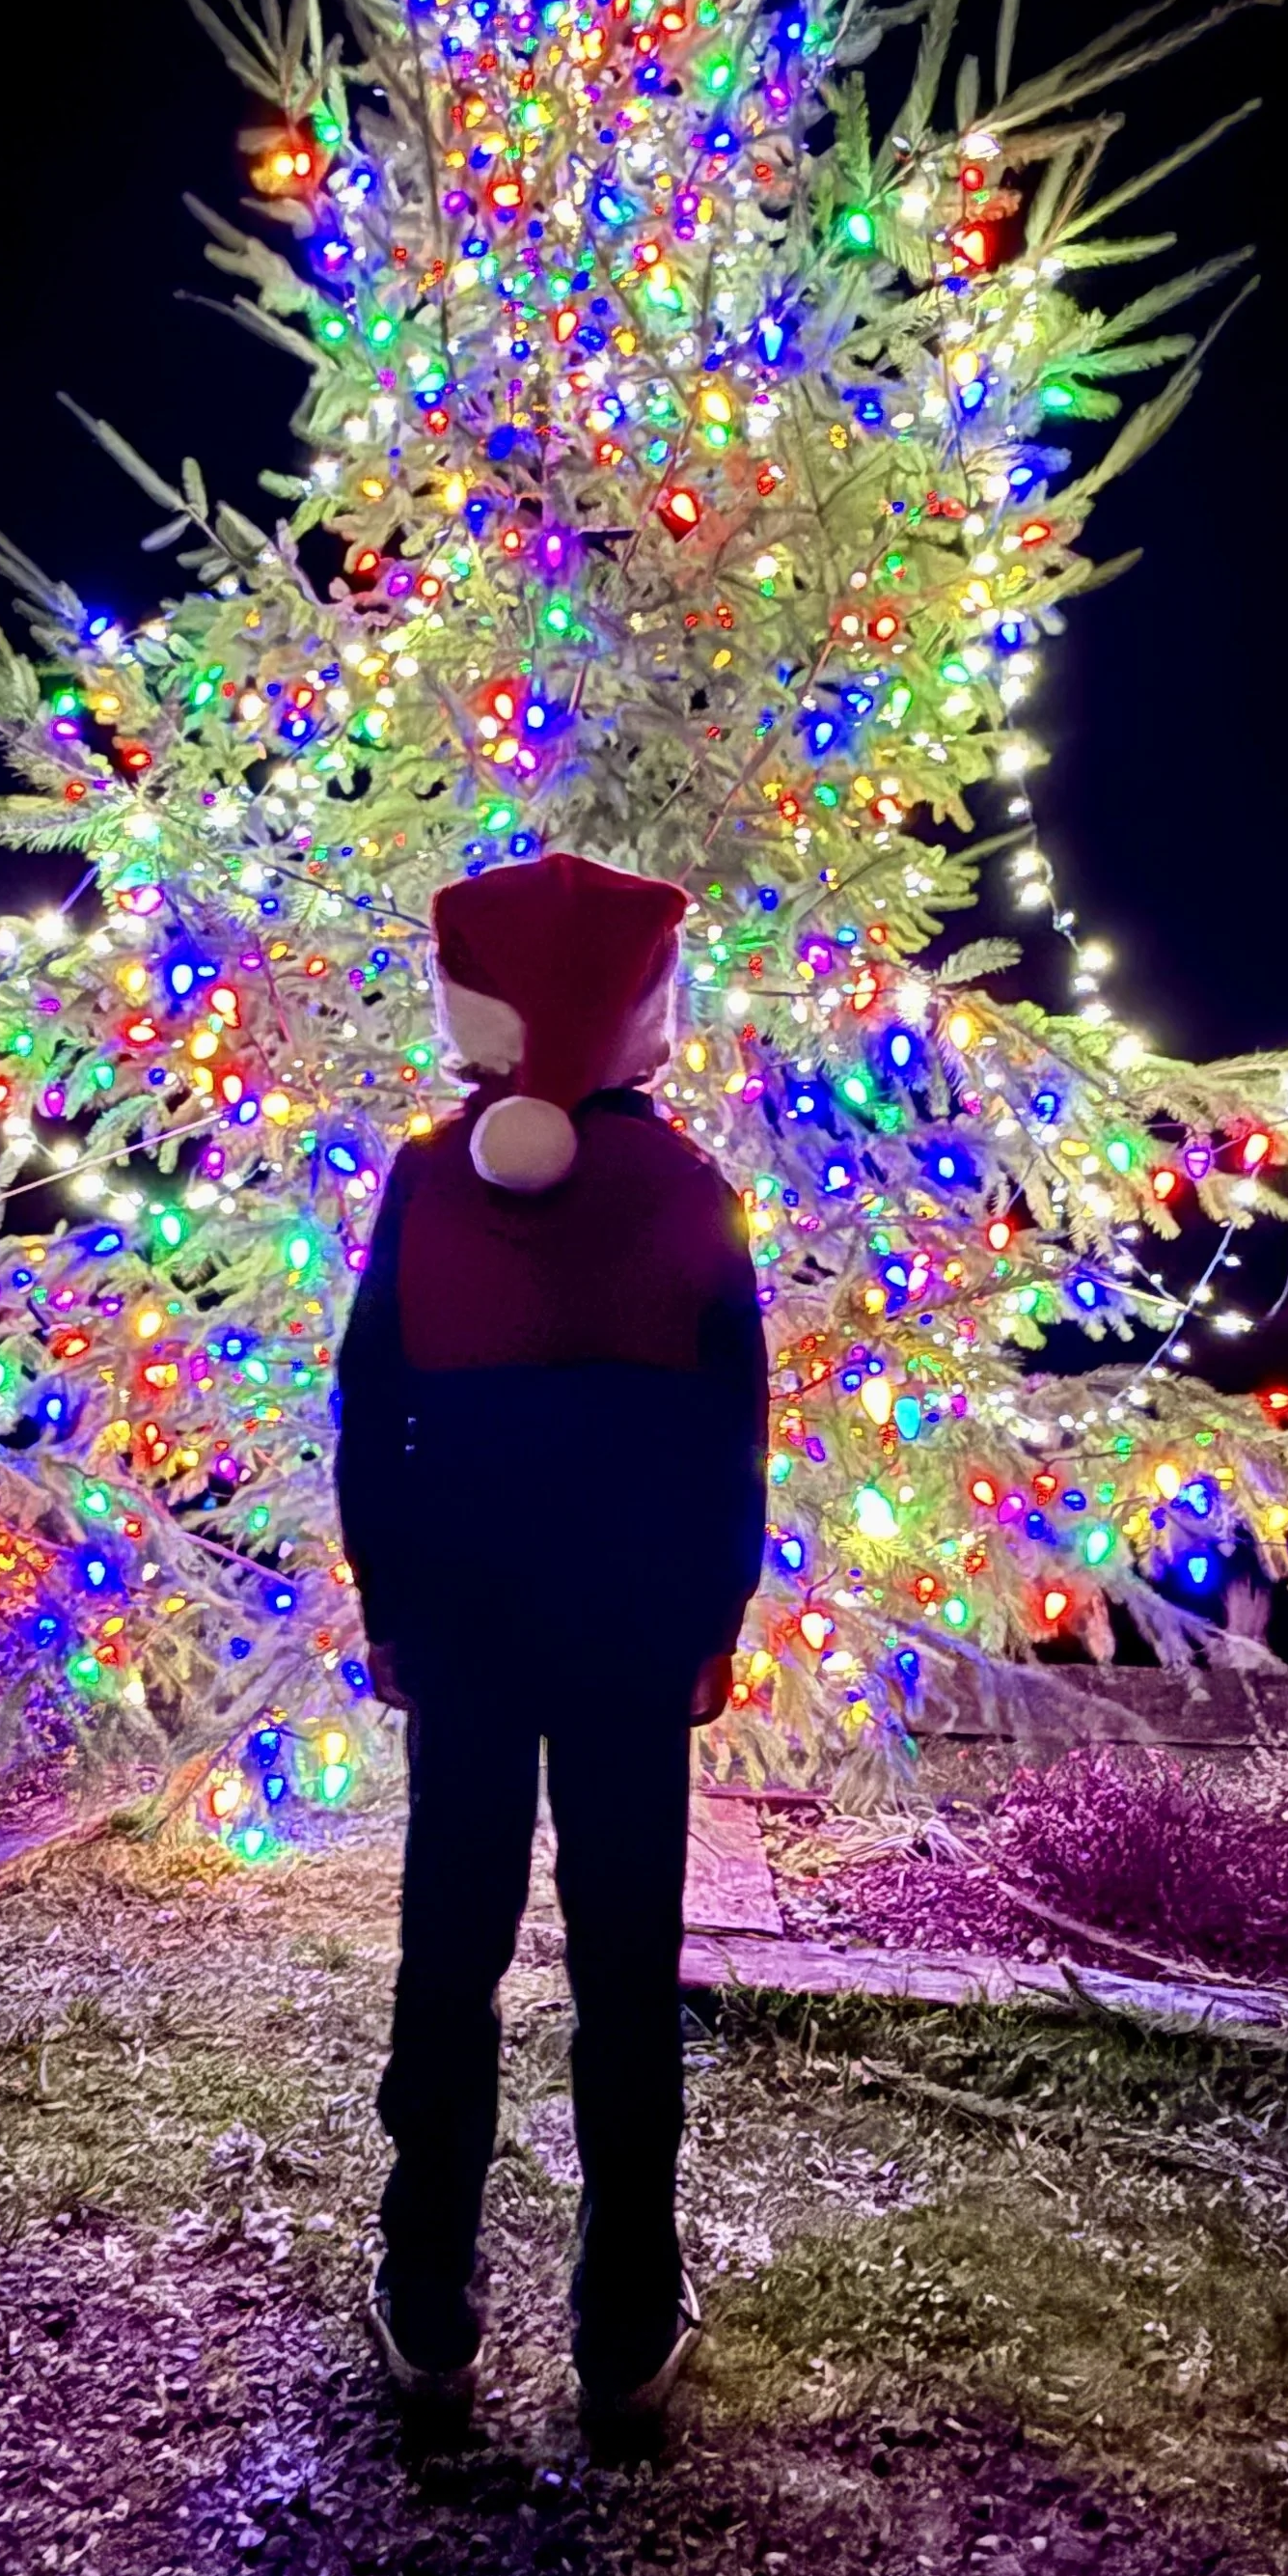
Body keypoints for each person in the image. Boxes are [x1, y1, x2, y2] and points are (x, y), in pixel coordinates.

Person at [334, 850, 768, 2419]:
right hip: (636, 1630)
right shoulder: (688, 1188)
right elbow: (737, 1423)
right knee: (627, 1964)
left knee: (447, 1944)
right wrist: (719, 1609)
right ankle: (625, 2317)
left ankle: (427, 2289)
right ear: (640, 1013)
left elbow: (365, 1406)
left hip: (462, 1619)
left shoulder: (423, 1182)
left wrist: (386, 1598)